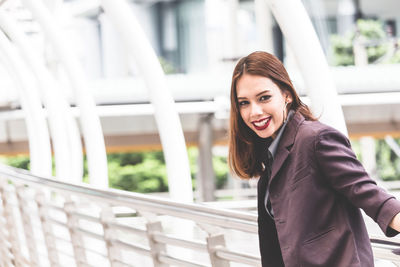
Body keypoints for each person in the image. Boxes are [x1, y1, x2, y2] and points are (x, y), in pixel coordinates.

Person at [228, 51, 400, 267]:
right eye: (244, 103)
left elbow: (369, 194)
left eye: (264, 98)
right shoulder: (270, 163)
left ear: (286, 95)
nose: (255, 111)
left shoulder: (315, 139)